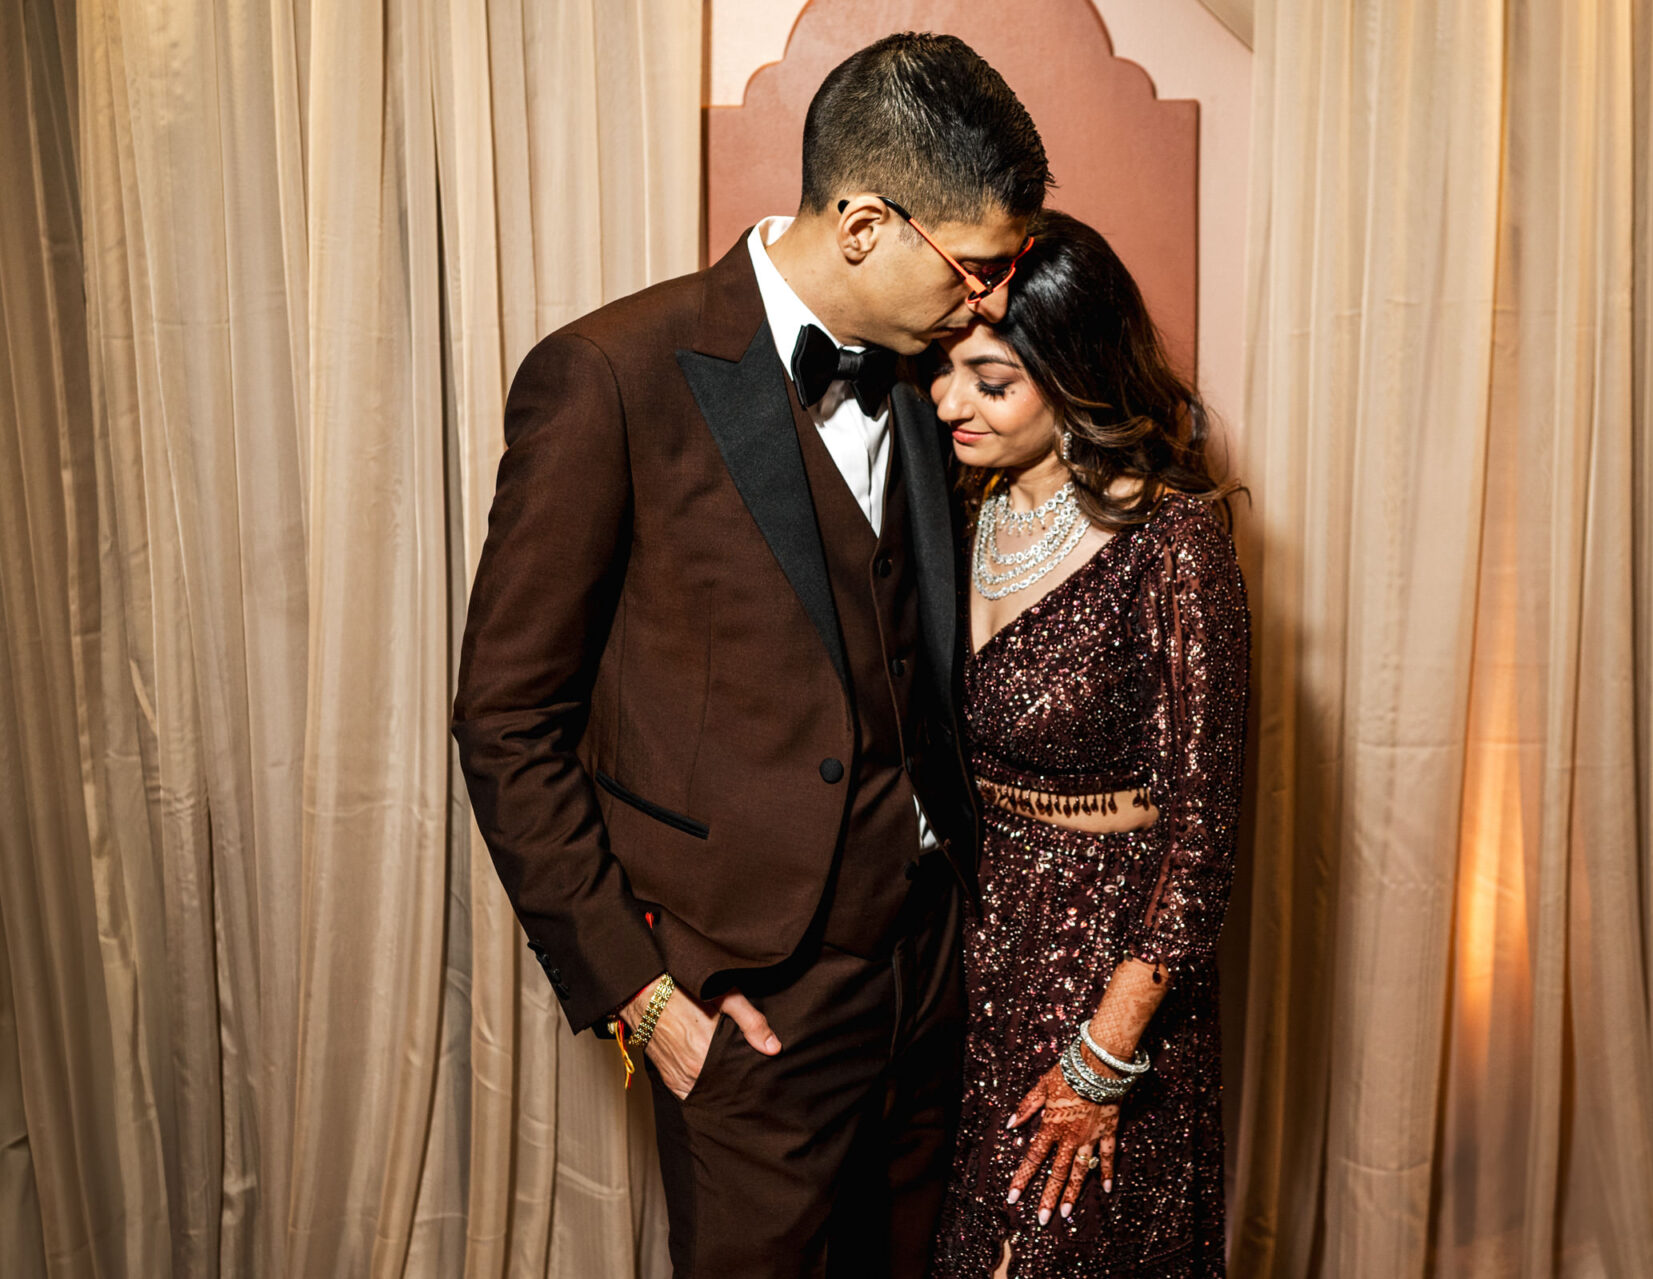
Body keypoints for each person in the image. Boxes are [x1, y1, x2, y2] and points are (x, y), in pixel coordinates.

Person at [451, 33, 1050, 1278]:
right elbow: (507, 718)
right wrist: (644, 997)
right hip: (743, 1003)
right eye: (978, 267)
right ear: (866, 221)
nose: (992, 304)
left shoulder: (936, 386)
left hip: (931, 974)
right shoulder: (608, 378)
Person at [925, 210, 1250, 1278]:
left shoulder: (1173, 544)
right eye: (946, 370)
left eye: (989, 380)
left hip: (1110, 970)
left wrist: (1106, 1058)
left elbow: (1204, 838)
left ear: (1073, 378)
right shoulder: (954, 512)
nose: (948, 401)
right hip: (976, 959)